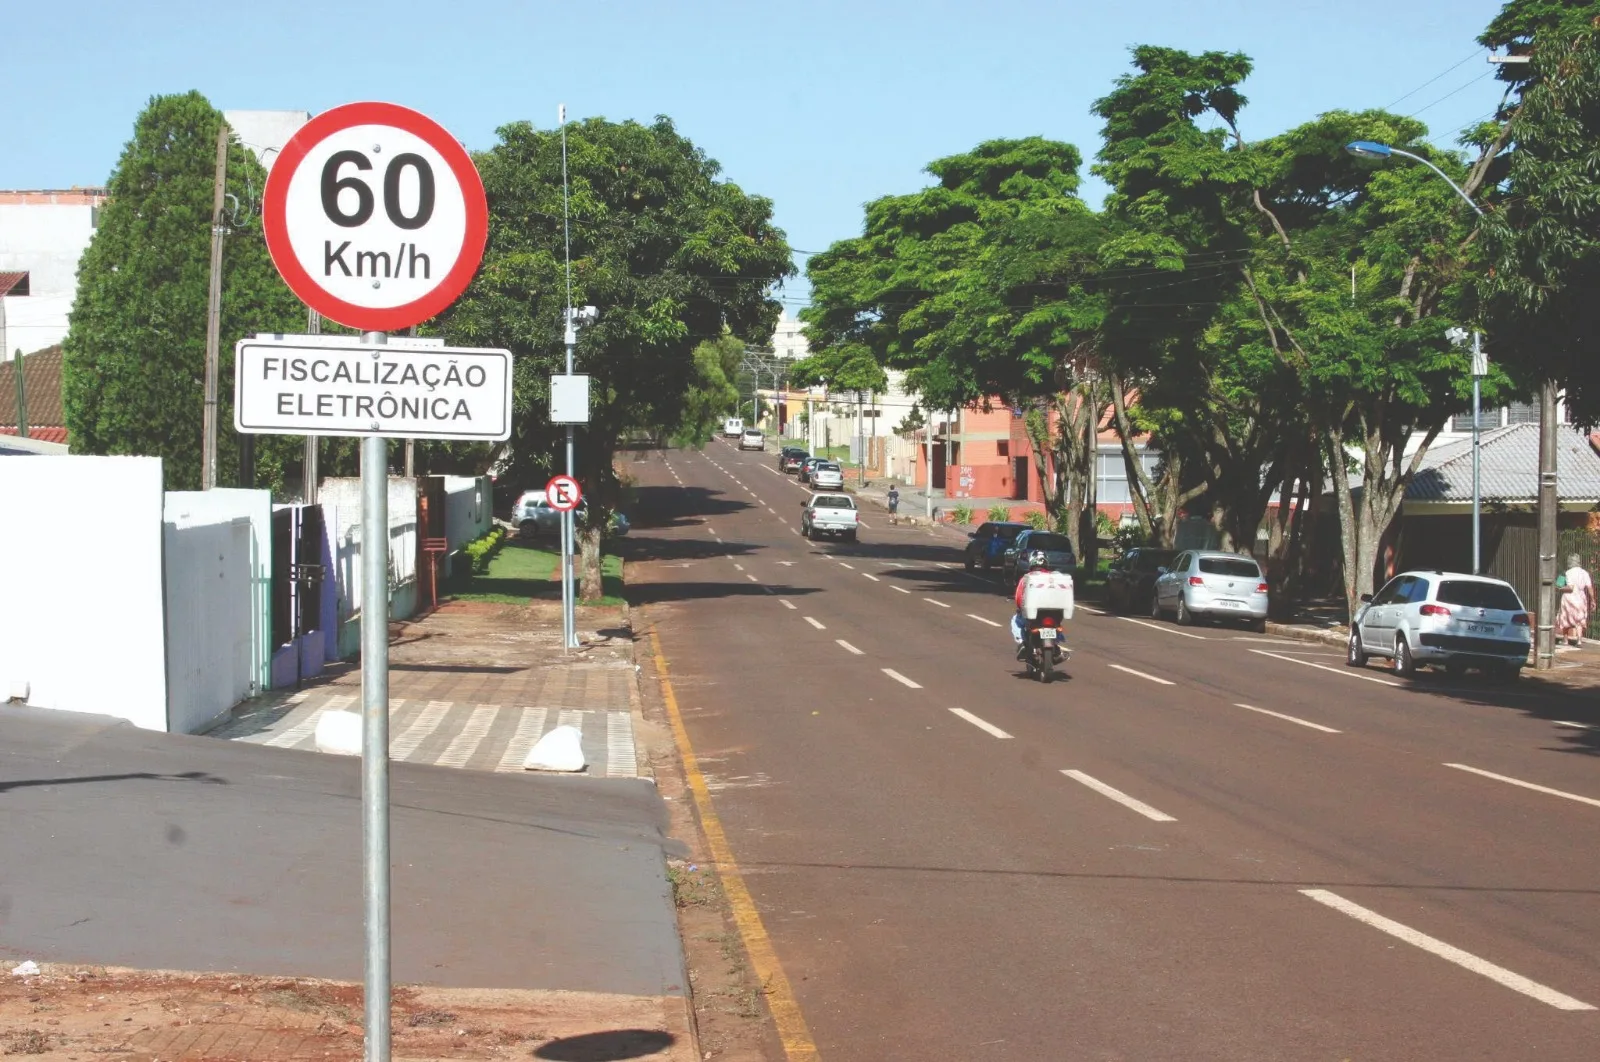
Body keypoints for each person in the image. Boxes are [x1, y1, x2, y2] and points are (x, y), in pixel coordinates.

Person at [1012, 549, 1068, 660]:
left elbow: (1018, 598)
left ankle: (1022, 643)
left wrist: (1020, 608)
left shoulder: (1026, 578)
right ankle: (1056, 645)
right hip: (1054, 615)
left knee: (1016, 620)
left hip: (1033, 615)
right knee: (1057, 625)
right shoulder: (1055, 578)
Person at [1556, 554, 1594, 647]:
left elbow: (1566, 586)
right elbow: (1589, 587)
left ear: (1569, 562)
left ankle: (1565, 640)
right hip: (1580, 597)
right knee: (1579, 619)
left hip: (1568, 597)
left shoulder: (1567, 572)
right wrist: (1593, 600)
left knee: (1565, 618)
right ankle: (1579, 640)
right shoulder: (1585, 573)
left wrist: (1559, 589)